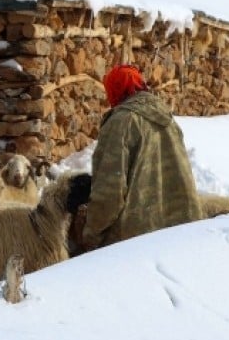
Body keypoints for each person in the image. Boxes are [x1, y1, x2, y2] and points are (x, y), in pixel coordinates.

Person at [79, 64, 202, 252]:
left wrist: (90, 234)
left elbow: (110, 190)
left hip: (135, 241)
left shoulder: (121, 123)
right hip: (180, 233)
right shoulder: (167, 119)